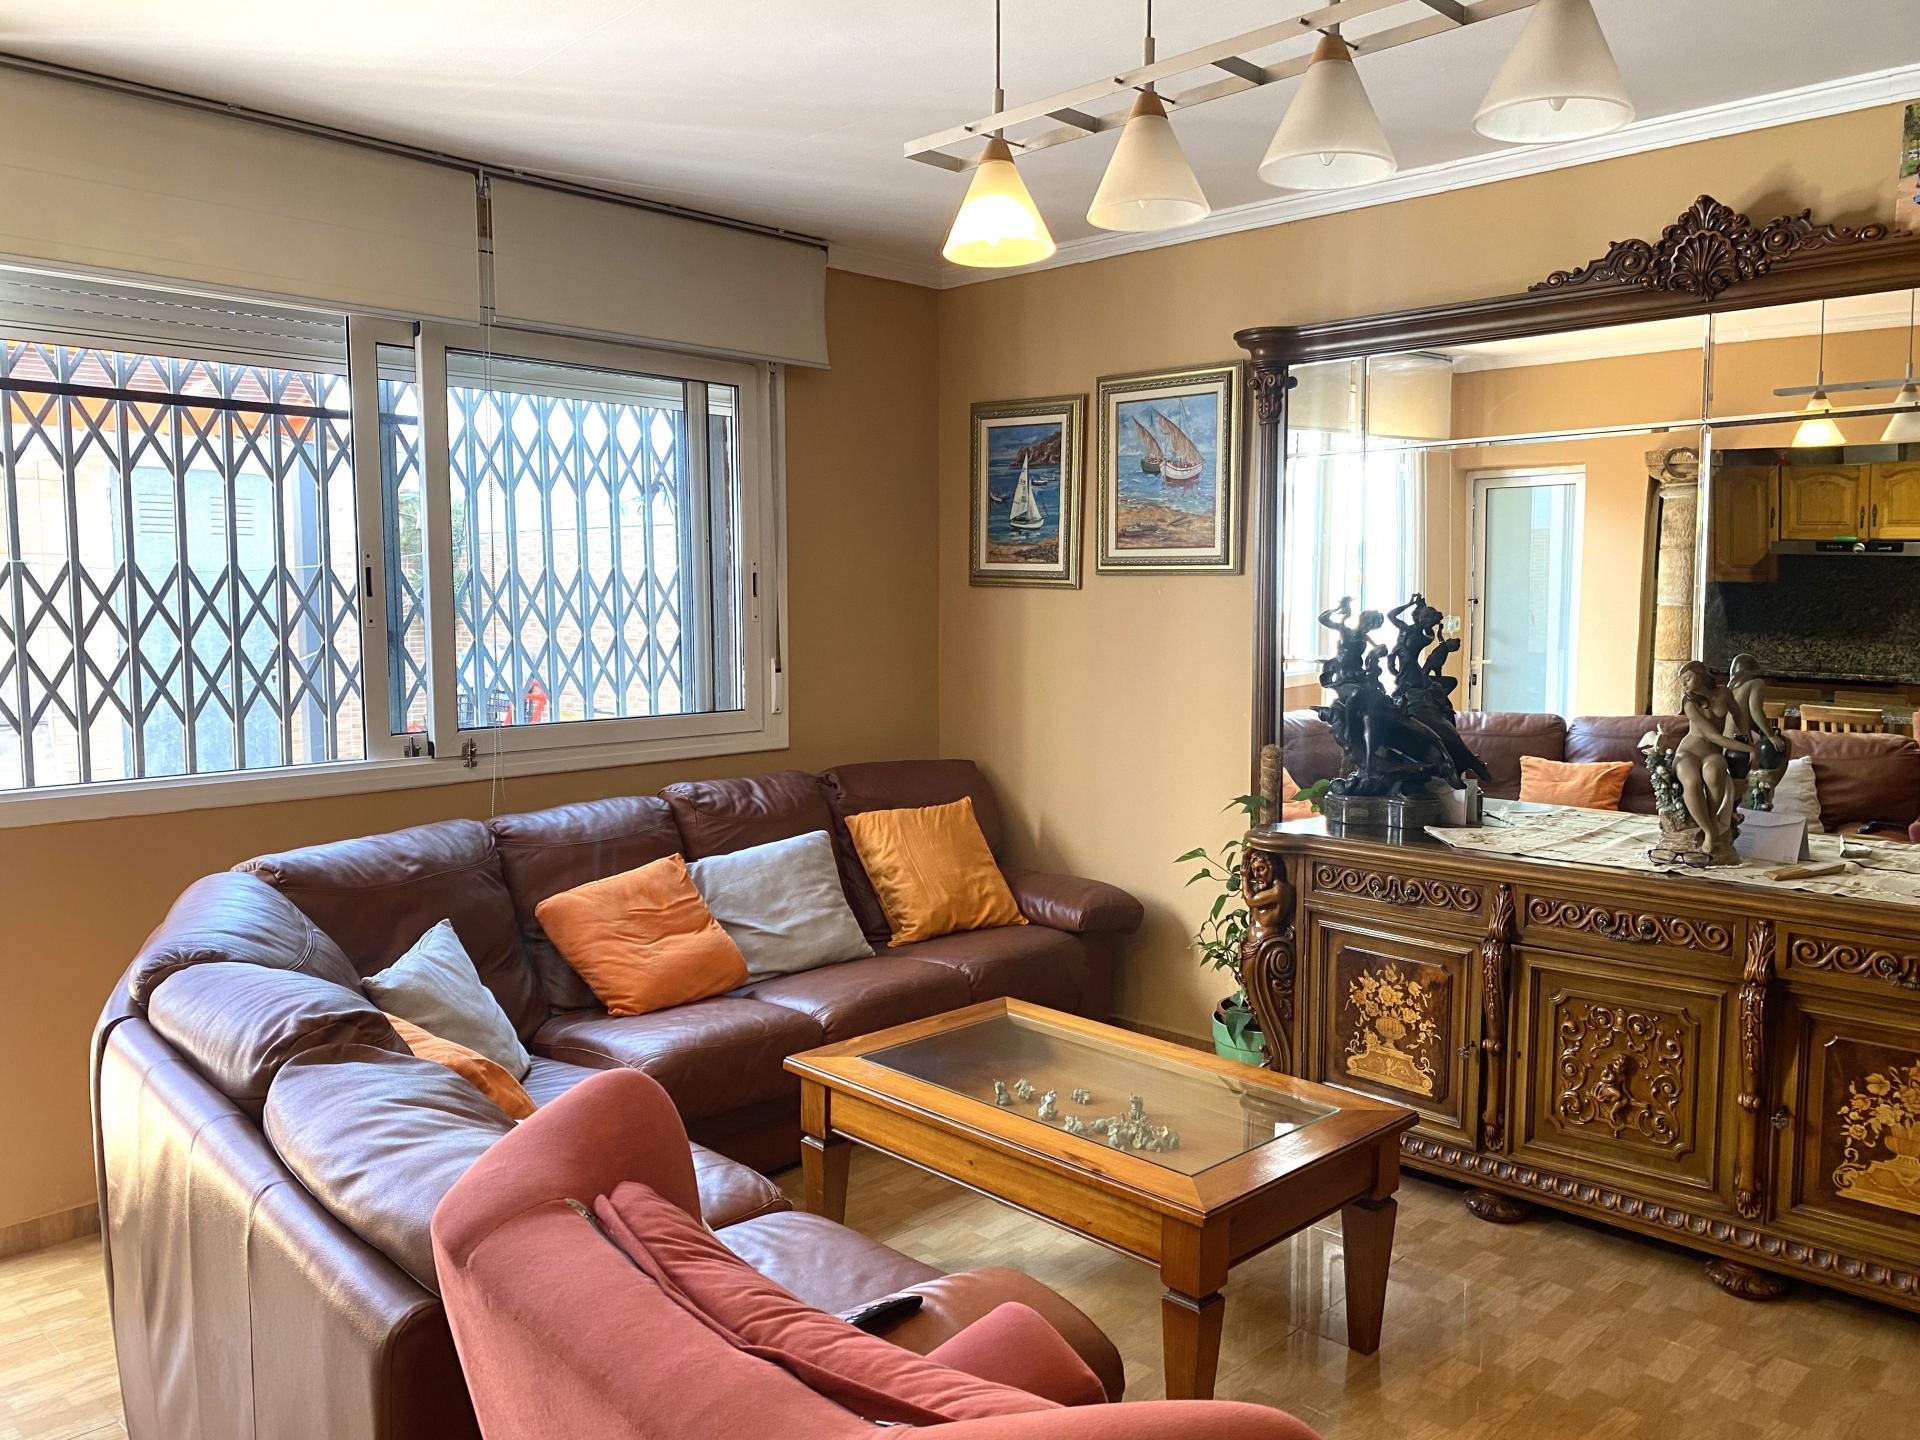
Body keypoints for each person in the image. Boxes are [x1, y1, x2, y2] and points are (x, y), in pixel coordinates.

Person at [1675, 660, 1755, 856]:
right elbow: (1713, 736)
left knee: (1715, 771)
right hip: (1688, 753)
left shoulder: (1723, 693)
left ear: (1700, 675)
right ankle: (1709, 832)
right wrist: (1749, 748)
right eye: (1682, 681)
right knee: (1692, 782)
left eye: (1687, 679)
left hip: (1712, 753)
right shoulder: (1689, 703)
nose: (1684, 684)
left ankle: (1711, 821)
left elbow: (1738, 714)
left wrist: (1746, 737)